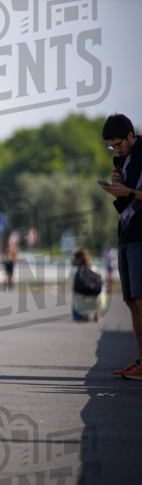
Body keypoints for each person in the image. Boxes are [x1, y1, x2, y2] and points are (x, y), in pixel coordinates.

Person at [100, 113, 142, 379]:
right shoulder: (126, 161)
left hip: (140, 235)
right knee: (131, 303)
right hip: (126, 234)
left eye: (118, 144)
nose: (116, 149)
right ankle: (140, 360)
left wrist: (127, 192)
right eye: (112, 147)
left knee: (140, 299)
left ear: (130, 134)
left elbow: (133, 194)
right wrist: (118, 186)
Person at [71, 248, 107, 322]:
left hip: (82, 305)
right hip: (99, 303)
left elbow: (75, 290)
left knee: (79, 292)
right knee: (102, 289)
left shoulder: (76, 271)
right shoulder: (94, 269)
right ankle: (97, 314)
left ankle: (85, 314)